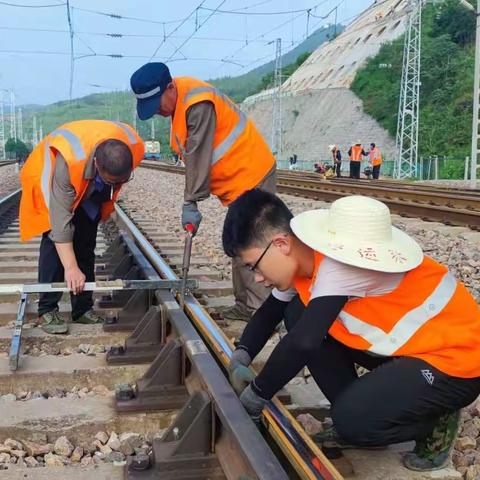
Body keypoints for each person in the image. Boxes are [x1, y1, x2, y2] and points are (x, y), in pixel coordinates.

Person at [223, 190, 480, 472]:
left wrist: (256, 396)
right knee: (297, 312)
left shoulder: (338, 264)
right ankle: (361, 409)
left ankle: (433, 424)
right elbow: (271, 311)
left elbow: (304, 342)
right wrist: (242, 353)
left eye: (253, 266)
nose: (257, 277)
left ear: (281, 244)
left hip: (456, 362)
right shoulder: (305, 256)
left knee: (351, 423)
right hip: (412, 345)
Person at [130, 62, 277, 322]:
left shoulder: (197, 103)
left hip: (251, 173)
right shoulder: (179, 104)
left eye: (157, 104)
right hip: (237, 180)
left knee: (252, 243)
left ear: (170, 87)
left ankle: (261, 312)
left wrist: (191, 202)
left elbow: (198, 154)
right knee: (239, 243)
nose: (157, 113)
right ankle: (247, 306)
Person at [19, 120, 144, 334]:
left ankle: (82, 308)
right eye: (112, 181)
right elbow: (60, 224)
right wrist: (70, 267)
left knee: (86, 242)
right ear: (97, 165)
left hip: (89, 184)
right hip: (50, 182)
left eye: (121, 181)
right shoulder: (67, 164)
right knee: (54, 242)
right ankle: (47, 309)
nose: (116, 186)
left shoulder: (132, 145)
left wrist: (108, 186)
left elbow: (110, 182)